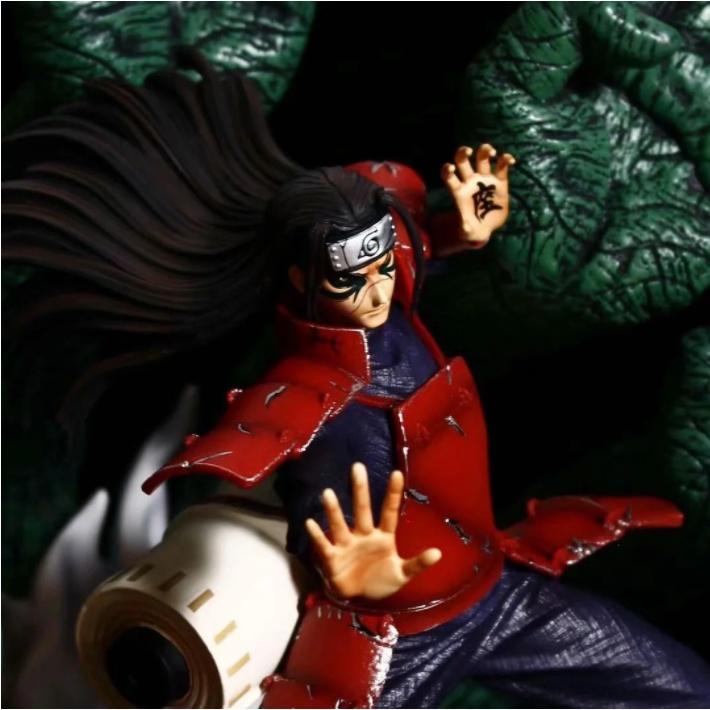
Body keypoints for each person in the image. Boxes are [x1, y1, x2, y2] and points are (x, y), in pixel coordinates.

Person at [5, 50, 710, 708]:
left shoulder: (384, 289)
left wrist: (468, 229)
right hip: (394, 641)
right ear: (300, 278)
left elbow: (412, 248)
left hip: (492, 586)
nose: (377, 291)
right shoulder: (306, 396)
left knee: (682, 687)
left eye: (382, 266)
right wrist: (346, 577)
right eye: (351, 280)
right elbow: (267, 490)